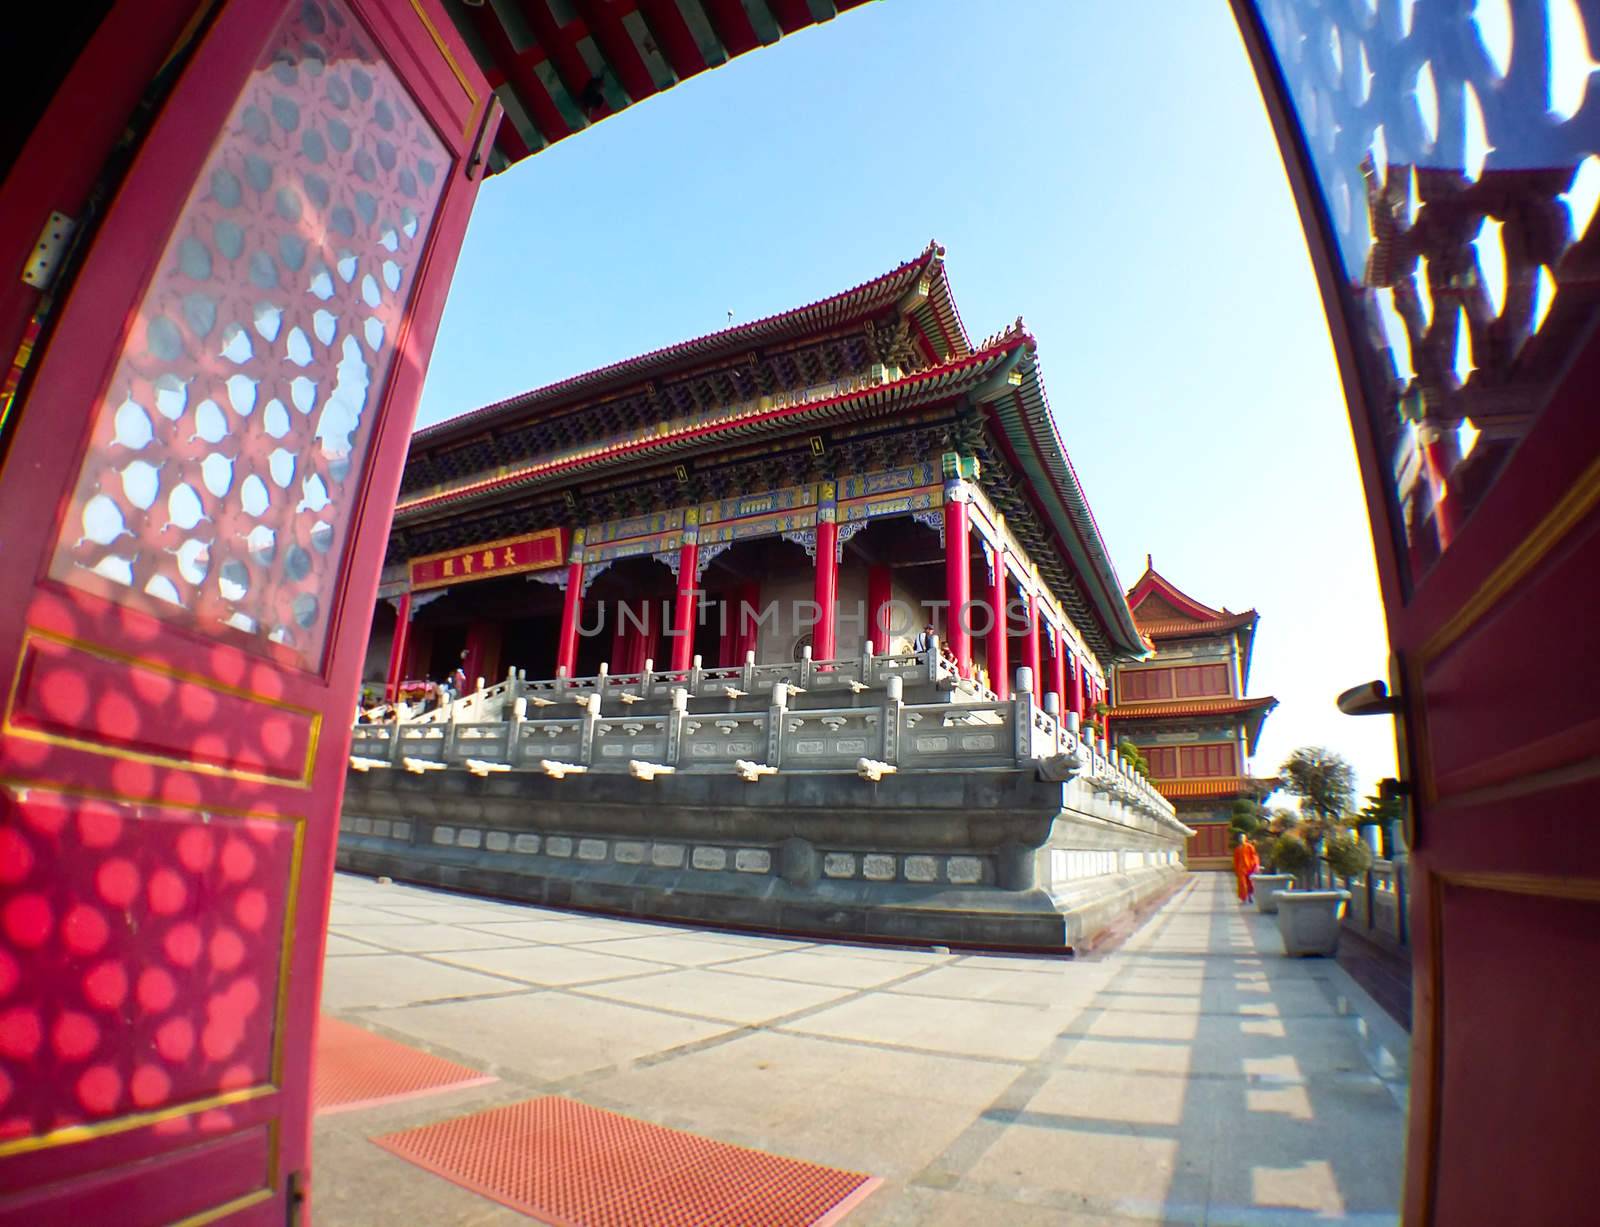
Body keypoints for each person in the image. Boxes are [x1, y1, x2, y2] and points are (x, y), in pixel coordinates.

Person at [1232, 834, 1260, 904]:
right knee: (1242, 884)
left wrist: (1256, 865)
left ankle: (1250, 896)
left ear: (1245, 838)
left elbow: (1254, 856)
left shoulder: (1249, 847)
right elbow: (1235, 860)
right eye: (1240, 838)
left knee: (1250, 883)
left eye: (1242, 837)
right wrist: (1236, 869)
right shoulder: (1237, 849)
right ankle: (1244, 898)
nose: (1241, 839)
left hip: (1249, 868)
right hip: (1241, 869)